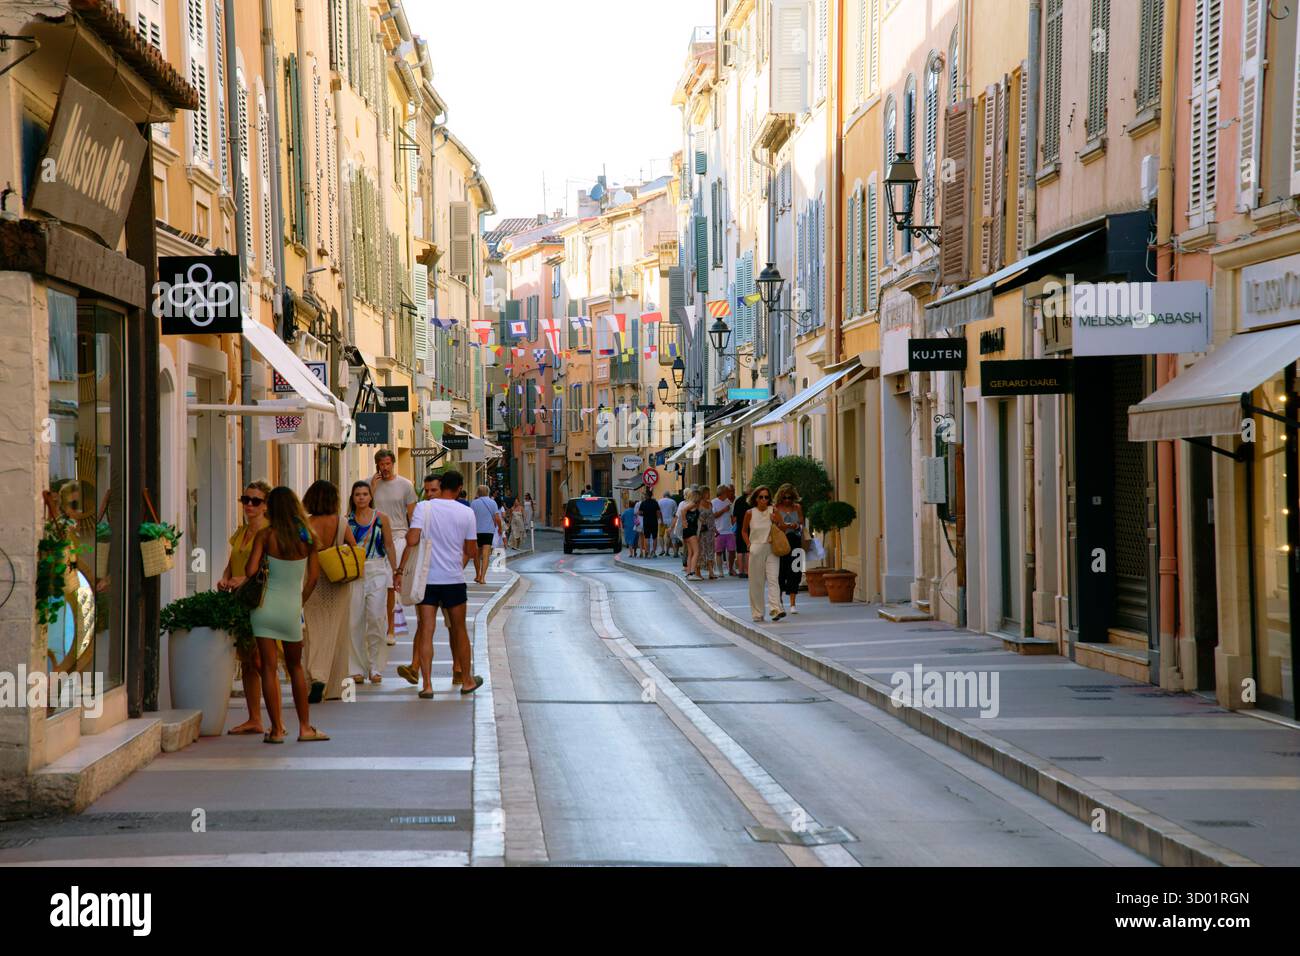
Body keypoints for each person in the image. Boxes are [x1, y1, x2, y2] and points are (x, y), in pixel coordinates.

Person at [238, 486, 327, 743]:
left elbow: (251, 569)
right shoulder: (307, 537)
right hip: (290, 608)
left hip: (264, 608)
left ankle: (276, 730)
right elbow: (312, 578)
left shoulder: (265, 535)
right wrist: (300, 602)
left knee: (267, 668)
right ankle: (305, 727)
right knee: (295, 667)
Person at [400, 469, 483, 697]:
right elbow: (471, 550)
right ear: (458, 489)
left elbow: (412, 539)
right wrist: (458, 560)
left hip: (426, 579)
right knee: (459, 630)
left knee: (426, 630)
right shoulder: (466, 512)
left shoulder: (424, 507)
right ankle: (466, 680)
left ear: (441, 486)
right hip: (453, 579)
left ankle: (427, 685)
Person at [218, 480, 272, 735]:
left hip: (260, 600)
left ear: (265, 506)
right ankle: (254, 718)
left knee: (261, 661)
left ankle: (275, 722)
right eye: (245, 499)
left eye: (256, 501)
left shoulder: (269, 532)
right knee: (249, 660)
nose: (249, 505)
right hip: (240, 600)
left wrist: (246, 579)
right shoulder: (242, 532)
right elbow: (233, 560)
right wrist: (226, 577)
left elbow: (270, 568)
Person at [302, 480, 359, 703]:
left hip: (314, 582)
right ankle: (335, 687)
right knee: (337, 633)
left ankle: (317, 677)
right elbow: (353, 548)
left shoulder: (307, 524)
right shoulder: (341, 522)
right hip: (338, 581)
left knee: (314, 632)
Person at [347, 481, 399, 685]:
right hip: (354, 573)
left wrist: (397, 571)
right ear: (352, 497)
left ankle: (375, 667)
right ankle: (356, 668)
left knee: (377, 618)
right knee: (354, 622)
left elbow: (389, 545)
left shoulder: (381, 518)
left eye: (364, 494)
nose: (361, 497)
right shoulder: (347, 521)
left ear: (370, 496)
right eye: (357, 494)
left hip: (377, 569)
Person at [371, 449, 418, 646]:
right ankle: (376, 626)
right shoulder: (369, 484)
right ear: (377, 465)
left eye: (388, 463)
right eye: (382, 464)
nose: (385, 468)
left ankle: (391, 628)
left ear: (393, 463)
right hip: (375, 536)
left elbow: (412, 515)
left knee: (391, 585)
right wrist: (372, 488)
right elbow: (360, 509)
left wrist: (412, 540)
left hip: (398, 536)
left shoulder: (406, 485)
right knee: (375, 584)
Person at [741, 484, 783, 622]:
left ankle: (776, 609)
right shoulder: (750, 513)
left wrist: (775, 520)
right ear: (756, 498)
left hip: (772, 548)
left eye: (766, 497)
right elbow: (744, 531)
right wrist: (749, 545)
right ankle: (757, 613)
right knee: (756, 583)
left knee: (773, 579)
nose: (764, 500)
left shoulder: (774, 510)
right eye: (761, 497)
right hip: (756, 549)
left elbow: (782, 527)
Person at [774, 483, 806, 614]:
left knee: (795, 571)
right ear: (781, 497)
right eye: (785, 498)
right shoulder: (775, 508)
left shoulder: (797, 507)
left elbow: (802, 523)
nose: (787, 500)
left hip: (795, 542)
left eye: (790, 498)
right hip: (781, 542)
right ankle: (779, 601)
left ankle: (793, 604)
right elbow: (773, 526)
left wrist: (796, 526)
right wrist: (783, 526)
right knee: (780, 572)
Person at [470, 484, 504, 584]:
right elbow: (497, 518)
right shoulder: (492, 503)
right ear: (488, 492)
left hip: (476, 531)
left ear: (478, 492)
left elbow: (471, 518)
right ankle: (483, 578)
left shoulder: (474, 503)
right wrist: (500, 529)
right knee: (486, 555)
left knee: (477, 554)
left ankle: (477, 575)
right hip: (488, 531)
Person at [677, 489, 702, 579]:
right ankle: (692, 573)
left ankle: (688, 572)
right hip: (691, 530)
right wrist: (684, 521)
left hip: (687, 531)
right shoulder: (693, 504)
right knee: (696, 552)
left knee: (690, 552)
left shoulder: (689, 504)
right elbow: (683, 511)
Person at [714, 485, 737, 576]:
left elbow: (731, 516)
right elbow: (713, 516)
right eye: (728, 492)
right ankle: (720, 571)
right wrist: (723, 510)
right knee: (718, 552)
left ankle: (730, 569)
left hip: (729, 531)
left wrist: (734, 523)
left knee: (732, 551)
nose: (730, 493)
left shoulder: (728, 502)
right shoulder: (714, 502)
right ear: (723, 493)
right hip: (719, 531)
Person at [696, 485, 718, 580]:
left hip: (710, 531)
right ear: (703, 493)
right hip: (701, 531)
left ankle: (711, 571)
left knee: (710, 550)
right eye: (707, 492)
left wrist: (715, 529)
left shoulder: (710, 504)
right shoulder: (697, 504)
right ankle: (698, 571)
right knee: (701, 551)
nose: (709, 494)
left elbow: (712, 517)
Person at [732, 488, 752, 579]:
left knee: (740, 550)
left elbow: (734, 516)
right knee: (748, 549)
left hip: (740, 526)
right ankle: (747, 571)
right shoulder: (751, 501)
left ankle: (740, 571)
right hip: (750, 526)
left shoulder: (738, 500)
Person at [638, 488, 660, 558]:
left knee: (647, 537)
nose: (644, 496)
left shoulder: (643, 503)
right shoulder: (655, 502)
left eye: (645, 495)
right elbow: (658, 513)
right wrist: (657, 518)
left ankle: (647, 552)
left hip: (646, 522)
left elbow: (639, 512)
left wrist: (644, 514)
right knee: (655, 537)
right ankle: (653, 552)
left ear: (647, 495)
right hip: (654, 522)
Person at [658, 490, 677, 557]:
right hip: (670, 520)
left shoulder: (659, 501)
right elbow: (675, 512)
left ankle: (662, 549)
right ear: (669, 495)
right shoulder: (673, 501)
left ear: (663, 495)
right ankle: (667, 551)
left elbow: (658, 512)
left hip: (662, 521)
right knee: (669, 536)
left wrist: (659, 519)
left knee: (661, 535)